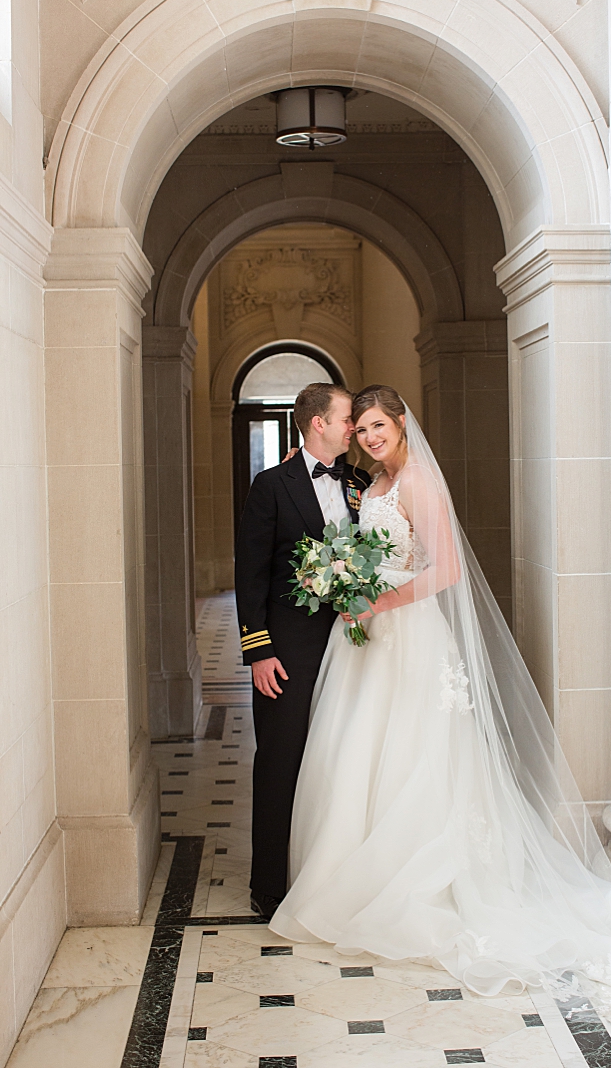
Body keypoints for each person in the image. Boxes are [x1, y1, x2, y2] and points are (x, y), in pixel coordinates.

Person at [268, 385, 611, 1010]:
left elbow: (443, 570)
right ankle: (353, 876)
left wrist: (379, 600)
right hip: (367, 638)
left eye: (376, 426)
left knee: (417, 755)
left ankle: (413, 882)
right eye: (359, 428)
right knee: (360, 753)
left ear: (398, 424)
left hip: (408, 634)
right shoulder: (370, 483)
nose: (367, 437)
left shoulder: (417, 481)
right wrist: (346, 583)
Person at [235, 383, 373, 919]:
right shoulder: (271, 485)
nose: (354, 429)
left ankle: (330, 872)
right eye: (347, 419)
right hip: (287, 649)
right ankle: (270, 882)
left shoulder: (362, 483)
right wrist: (258, 650)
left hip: (352, 643)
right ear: (318, 422)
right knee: (280, 757)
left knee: (340, 758)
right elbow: (249, 573)